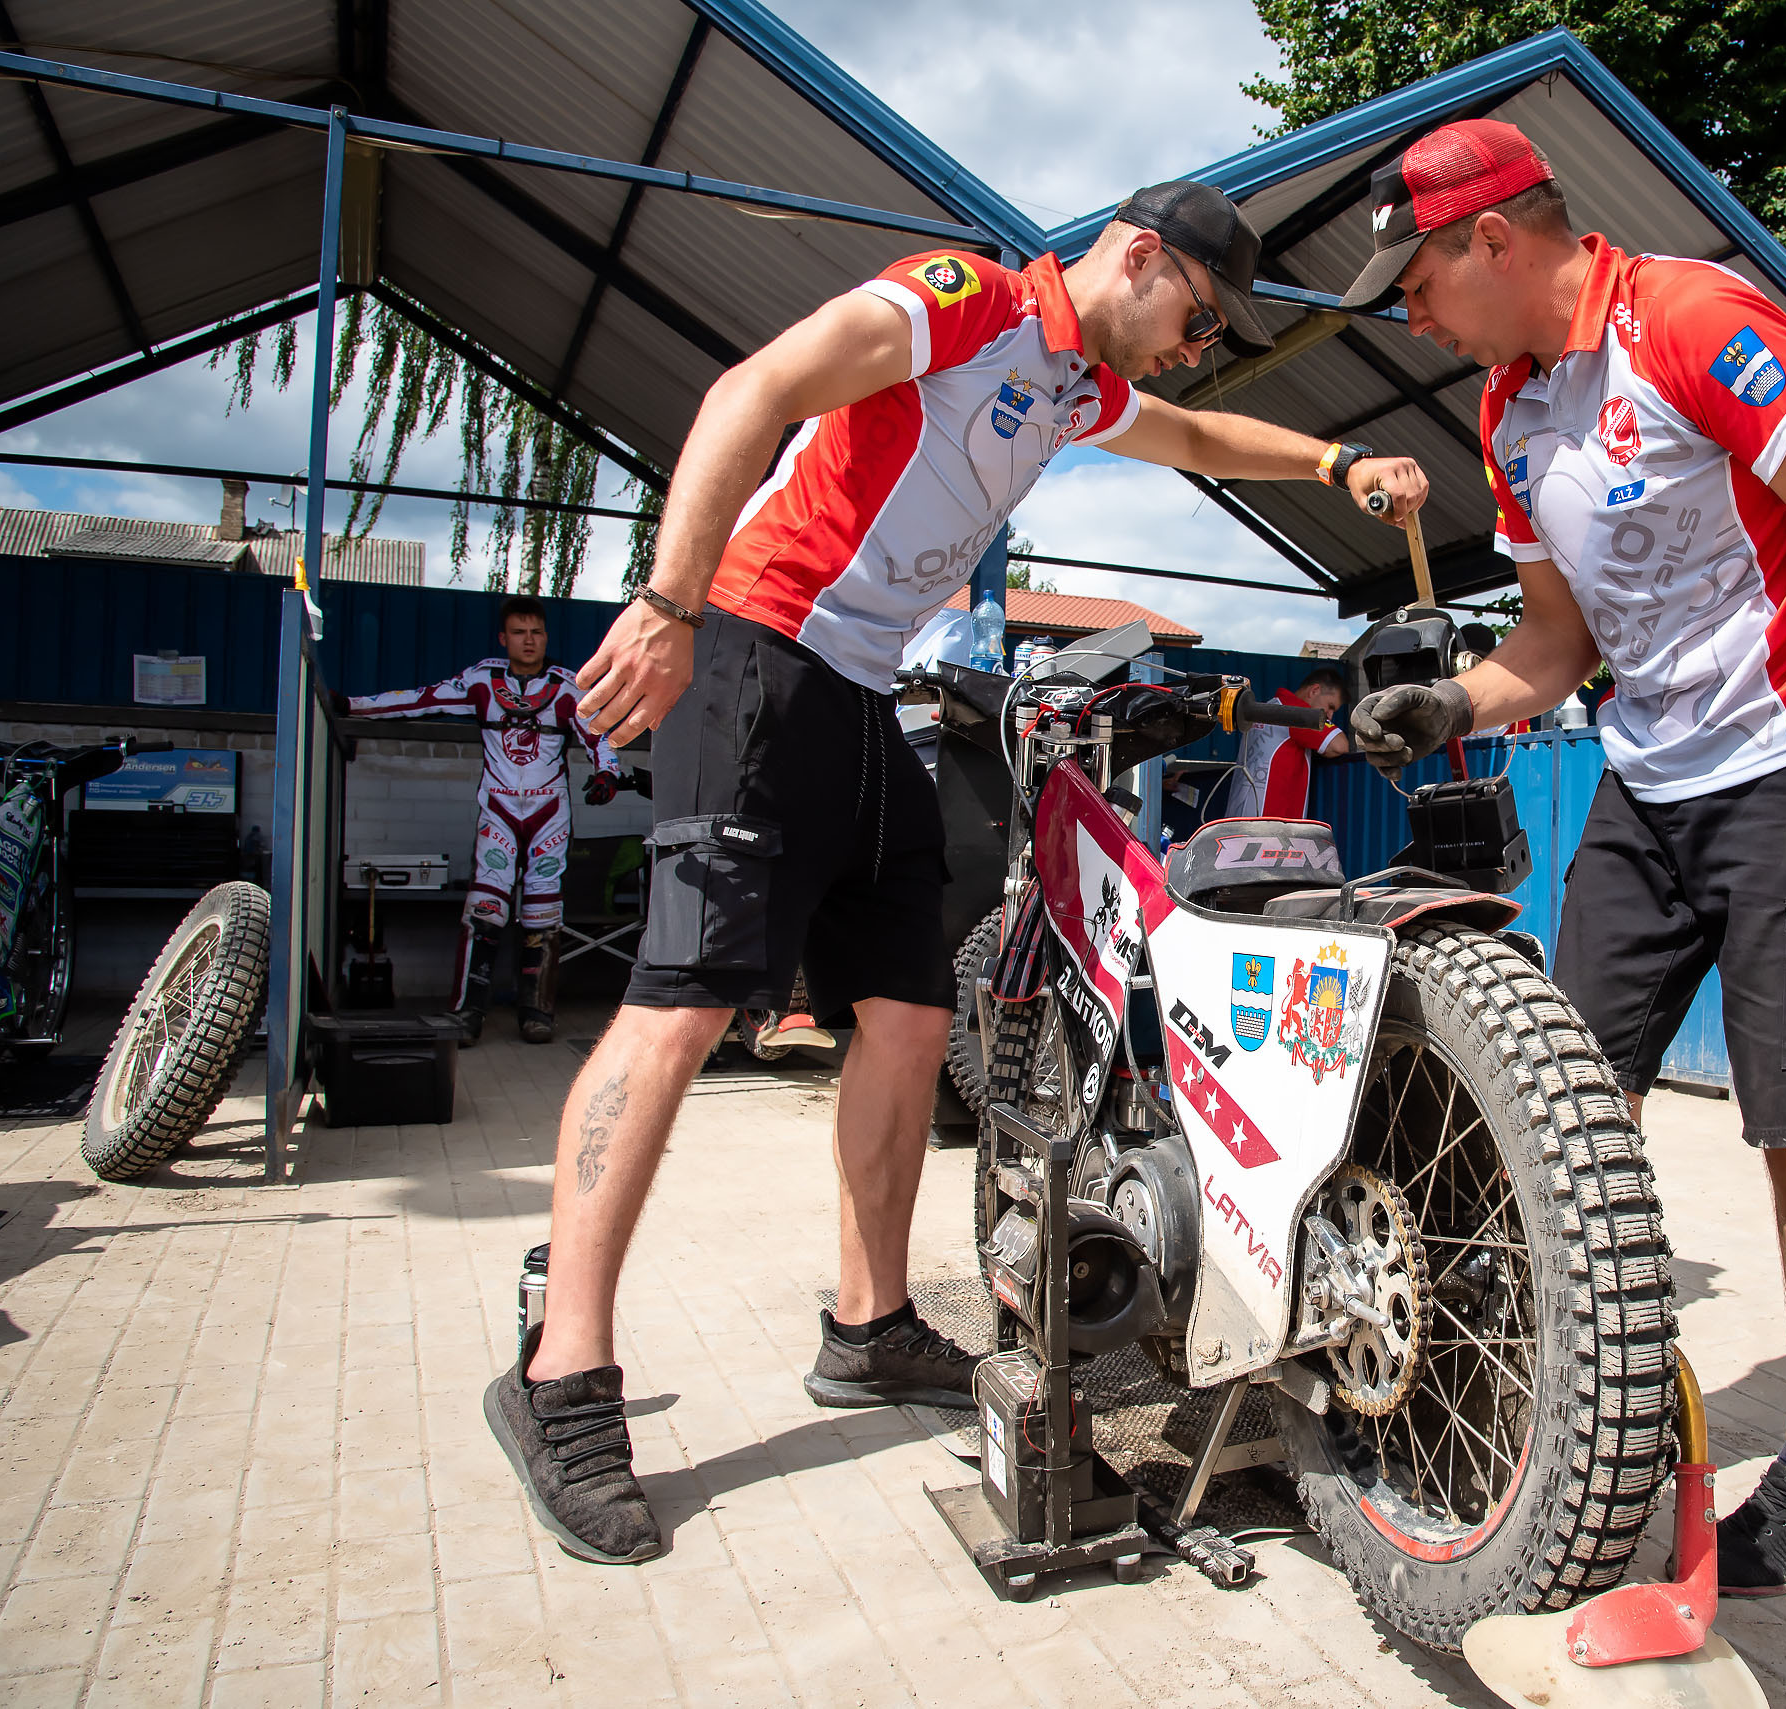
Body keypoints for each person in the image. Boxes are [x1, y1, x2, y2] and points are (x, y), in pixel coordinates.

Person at [487, 179, 1431, 1565]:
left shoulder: (1074, 388)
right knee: (681, 1008)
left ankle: (868, 1326)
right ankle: (562, 1372)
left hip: (866, 694)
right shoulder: (969, 303)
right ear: (1139, 256)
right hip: (756, 650)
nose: (1196, 347)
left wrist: (1338, 462)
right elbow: (754, 390)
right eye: (1197, 315)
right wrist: (668, 601)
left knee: (913, 1015)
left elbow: (1197, 439)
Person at [1338, 120, 1786, 1599]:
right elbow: (1555, 643)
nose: (1410, 316)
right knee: (1558, 1094)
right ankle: (1547, 1396)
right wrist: (1456, 702)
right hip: (1649, 780)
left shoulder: (1686, 319)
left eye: (1417, 281)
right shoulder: (1508, 412)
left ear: (1497, 238)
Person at [340, 596, 620, 1045]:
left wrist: (608, 773)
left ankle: (537, 1014)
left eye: (536, 632)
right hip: (499, 811)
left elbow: (599, 733)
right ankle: (467, 1013)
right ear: (503, 638)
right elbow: (421, 699)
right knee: (484, 910)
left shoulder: (567, 687)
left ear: (546, 637)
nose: (528, 641)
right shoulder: (482, 681)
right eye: (519, 633)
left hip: (549, 815)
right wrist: (352, 706)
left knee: (543, 913)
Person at [1217, 666, 1349, 819]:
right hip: (1269, 823)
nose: (1330, 716)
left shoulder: (1267, 708)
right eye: (1330, 707)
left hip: (1240, 817)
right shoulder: (1295, 712)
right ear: (1314, 690)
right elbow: (1339, 745)